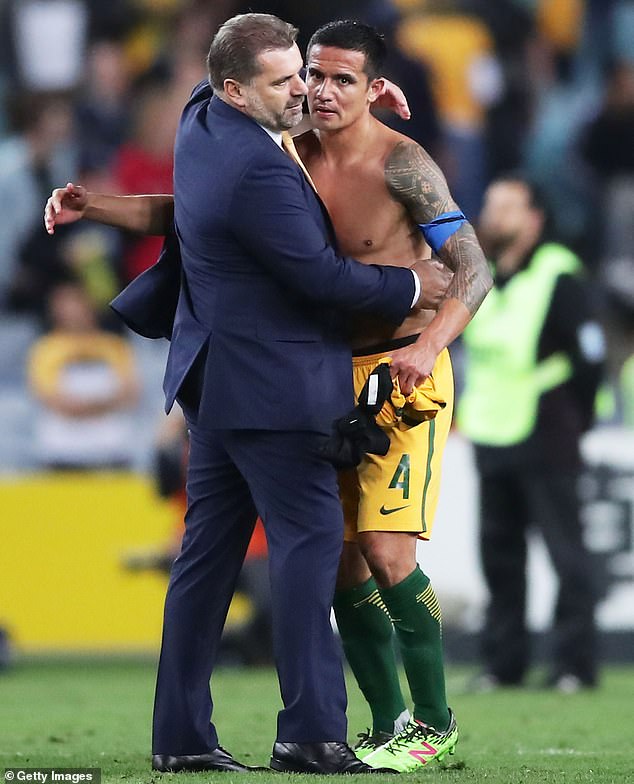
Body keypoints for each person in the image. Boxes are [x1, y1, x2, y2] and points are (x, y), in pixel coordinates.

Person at [45, 18, 493, 773]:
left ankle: (427, 719)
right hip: (293, 385)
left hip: (375, 377)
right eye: (300, 78)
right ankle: (339, 731)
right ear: (237, 89)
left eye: (327, 77)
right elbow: (318, 276)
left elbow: (474, 264)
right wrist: (412, 284)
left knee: (368, 551)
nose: (309, 91)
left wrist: (427, 343)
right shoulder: (277, 158)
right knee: (332, 556)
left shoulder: (239, 124)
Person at [458, 175, 605, 693]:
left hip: (547, 430)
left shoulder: (558, 274)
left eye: (506, 208)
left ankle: (574, 665)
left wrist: (573, 419)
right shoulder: (481, 275)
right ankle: (504, 663)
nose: (493, 216)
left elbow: (590, 358)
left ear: (534, 220)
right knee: (498, 554)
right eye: (490, 205)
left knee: (567, 554)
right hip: (492, 427)